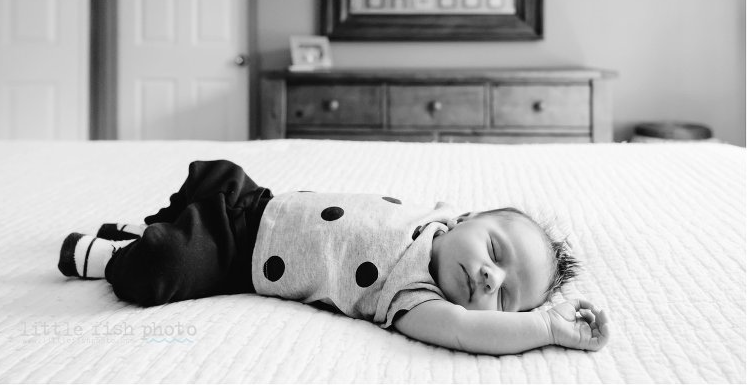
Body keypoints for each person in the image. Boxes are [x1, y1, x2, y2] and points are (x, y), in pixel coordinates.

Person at [58, 160, 610, 355]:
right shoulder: (440, 218)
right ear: (468, 218)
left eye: (505, 296)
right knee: (210, 178)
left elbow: (469, 331)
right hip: (259, 201)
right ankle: (149, 226)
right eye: (496, 251)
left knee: (163, 271)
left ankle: (110, 256)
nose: (491, 276)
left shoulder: (414, 297)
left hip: (241, 256)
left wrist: (545, 328)